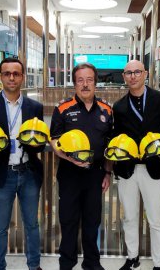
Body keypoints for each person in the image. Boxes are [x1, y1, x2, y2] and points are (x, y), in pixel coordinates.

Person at [112, 60, 160, 270]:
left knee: (155, 219)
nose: (133, 76)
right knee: (130, 217)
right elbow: (116, 137)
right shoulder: (119, 106)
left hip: (154, 167)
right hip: (127, 170)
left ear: (145, 74)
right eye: (128, 73)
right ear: (124, 77)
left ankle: (158, 264)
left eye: (137, 72)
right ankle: (132, 258)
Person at [0, 57, 44, 270]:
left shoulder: (35, 107)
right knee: (0, 228)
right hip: (1, 174)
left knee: (32, 225)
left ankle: (34, 266)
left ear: (23, 77)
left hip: (29, 173)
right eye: (7, 73)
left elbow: (40, 144)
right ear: (0, 77)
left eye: (16, 73)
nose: (12, 78)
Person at [50, 63, 113, 270]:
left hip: (95, 175)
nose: (85, 84)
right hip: (69, 175)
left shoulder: (107, 110)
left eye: (89, 80)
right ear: (74, 83)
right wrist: (69, 159)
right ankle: (66, 263)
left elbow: (109, 145)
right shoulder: (62, 109)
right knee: (68, 221)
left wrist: (107, 172)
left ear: (95, 82)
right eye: (80, 80)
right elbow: (54, 141)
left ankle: (91, 263)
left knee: (92, 222)